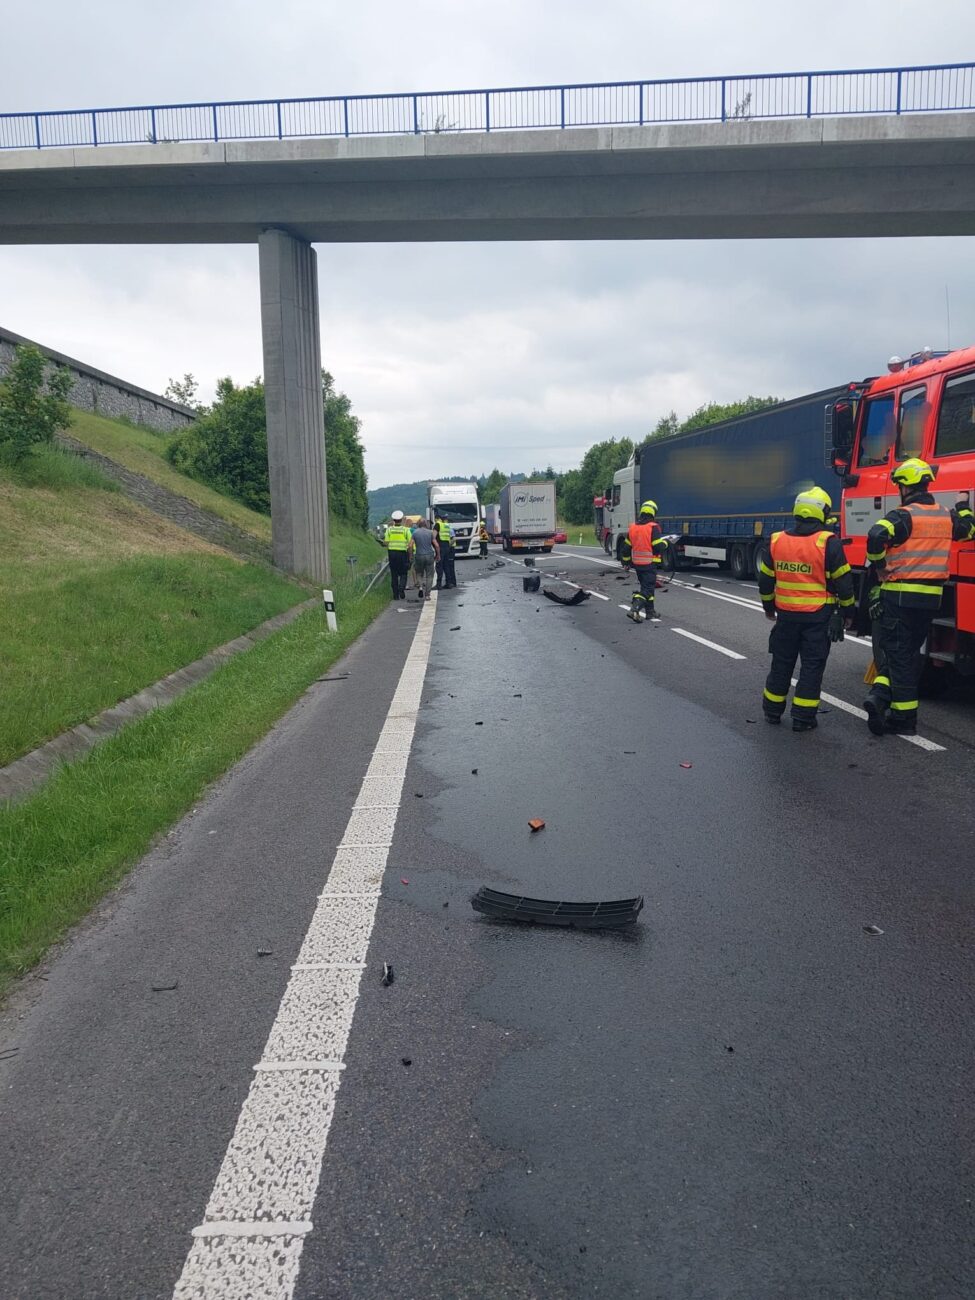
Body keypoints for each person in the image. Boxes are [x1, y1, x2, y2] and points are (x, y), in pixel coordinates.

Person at [862, 459, 975, 736]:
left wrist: (880, 567)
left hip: (899, 596)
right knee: (908, 654)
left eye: (900, 484)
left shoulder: (903, 515)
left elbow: (875, 536)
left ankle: (903, 720)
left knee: (898, 656)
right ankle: (879, 696)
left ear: (906, 487)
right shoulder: (945, 515)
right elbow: (970, 530)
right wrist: (963, 507)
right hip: (930, 599)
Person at [758, 487, 855, 732]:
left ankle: (772, 711)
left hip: (785, 616)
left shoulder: (776, 540)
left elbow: (766, 580)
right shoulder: (828, 542)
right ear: (822, 512)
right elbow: (844, 583)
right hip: (818, 617)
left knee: (781, 663)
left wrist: (768, 607)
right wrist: (847, 613)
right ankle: (802, 718)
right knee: (811, 667)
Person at [620, 499, 666, 621]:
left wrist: (626, 562)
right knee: (648, 589)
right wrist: (666, 544)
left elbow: (626, 548)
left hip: (637, 565)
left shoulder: (633, 527)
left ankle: (650, 612)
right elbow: (657, 548)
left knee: (646, 587)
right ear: (653, 513)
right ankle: (634, 609)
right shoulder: (653, 527)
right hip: (649, 564)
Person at [381, 510, 412, 600]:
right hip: (402, 554)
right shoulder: (406, 530)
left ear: (393, 520)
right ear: (402, 520)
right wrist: (410, 557)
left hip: (392, 554)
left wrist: (382, 543)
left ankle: (395, 595)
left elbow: (386, 543)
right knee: (403, 573)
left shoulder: (389, 530)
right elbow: (410, 545)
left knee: (394, 575)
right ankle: (401, 588)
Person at [409, 516, 440, 601]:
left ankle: (420, 588)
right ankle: (427, 595)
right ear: (426, 524)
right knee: (430, 576)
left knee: (419, 573)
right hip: (429, 555)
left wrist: (411, 555)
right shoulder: (430, 533)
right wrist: (438, 555)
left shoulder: (415, 533)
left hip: (419, 555)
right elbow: (436, 545)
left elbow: (410, 545)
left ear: (418, 524)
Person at [434, 512, 456, 589]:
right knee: (446, 566)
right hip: (447, 547)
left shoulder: (438, 525)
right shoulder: (447, 526)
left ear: (437, 518)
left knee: (439, 566)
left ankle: (438, 584)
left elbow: (433, 537)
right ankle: (449, 583)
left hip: (440, 547)